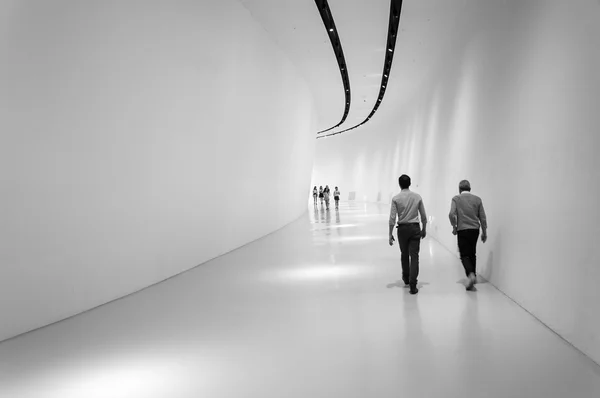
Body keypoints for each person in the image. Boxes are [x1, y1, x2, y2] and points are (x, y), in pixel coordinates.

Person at [389, 174, 427, 295]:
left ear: (399, 184)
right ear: (410, 183)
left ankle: (406, 277)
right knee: (414, 256)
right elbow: (424, 216)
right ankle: (413, 284)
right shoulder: (417, 197)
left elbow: (392, 218)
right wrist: (424, 228)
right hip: (415, 228)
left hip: (403, 229)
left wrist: (390, 234)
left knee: (404, 254)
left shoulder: (396, 199)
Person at [448, 180, 487, 291]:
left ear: (459, 189)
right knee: (472, 253)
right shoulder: (477, 199)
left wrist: (454, 226)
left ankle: (470, 275)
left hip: (463, 230)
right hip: (475, 230)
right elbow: (483, 217)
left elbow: (451, 214)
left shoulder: (456, 199)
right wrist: (484, 232)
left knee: (464, 255)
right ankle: (473, 275)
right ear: (470, 188)